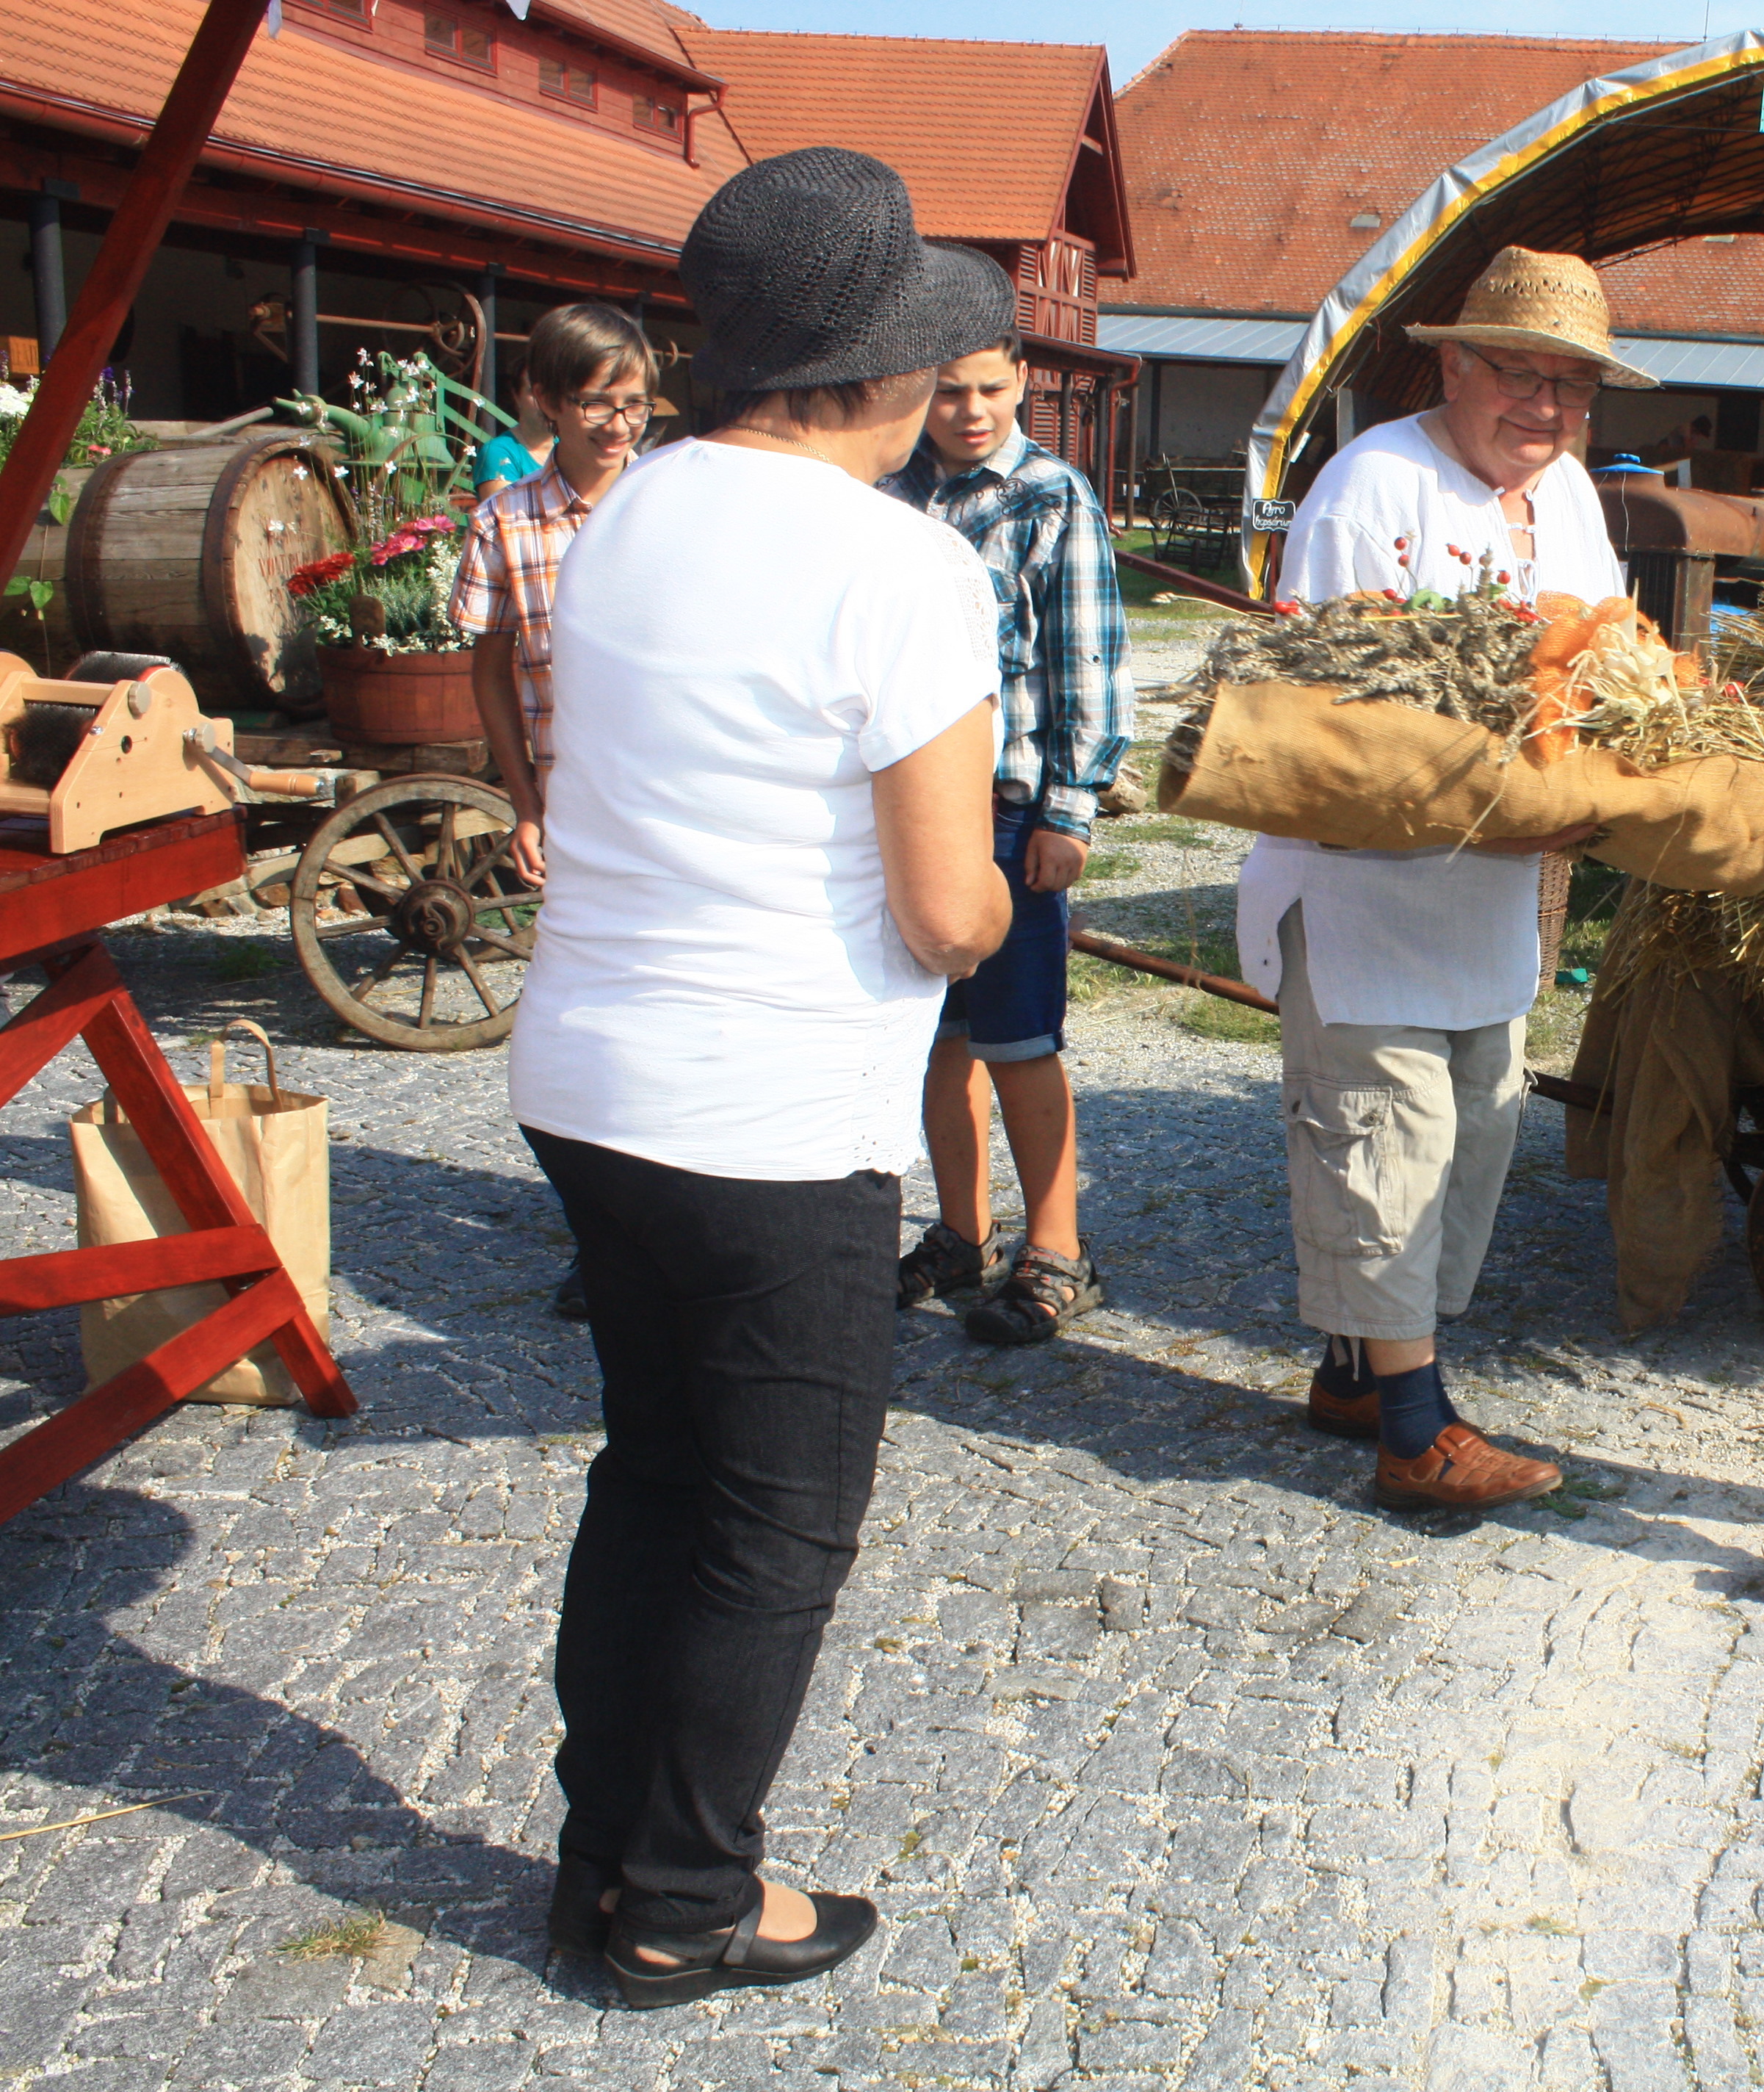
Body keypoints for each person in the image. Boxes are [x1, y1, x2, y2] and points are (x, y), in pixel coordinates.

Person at [506, 147, 1016, 2008]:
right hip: (768, 1114)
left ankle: (602, 1852)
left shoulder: (634, 504)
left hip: (588, 1074)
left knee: (654, 1467)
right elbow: (950, 904)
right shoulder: (903, 561)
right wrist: (1005, 893)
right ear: (885, 373)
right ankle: (684, 1901)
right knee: (776, 1518)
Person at [1240, 246, 1652, 1513]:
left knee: (1475, 1129)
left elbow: (1602, 662)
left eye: (1572, 387)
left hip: (1490, 897)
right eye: (1519, 374)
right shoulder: (1374, 487)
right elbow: (1323, 713)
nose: (1545, 408)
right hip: (1369, 893)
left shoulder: (1571, 491)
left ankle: (1358, 1375)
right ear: (1452, 361)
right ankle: (1415, 1432)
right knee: (1387, 1144)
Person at [883, 340, 1131, 1343]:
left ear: (1023, 380)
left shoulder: (1052, 494)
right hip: (909, 802)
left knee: (1019, 1038)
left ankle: (1058, 1248)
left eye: (989, 389)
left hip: (1010, 806)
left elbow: (1090, 659)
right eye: (946, 391)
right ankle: (961, 1232)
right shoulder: (889, 489)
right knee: (939, 1038)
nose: (970, 410)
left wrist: (1071, 809)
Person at [452, 301, 657, 1323]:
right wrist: (522, 799)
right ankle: (606, 1240)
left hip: (672, 812)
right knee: (582, 1035)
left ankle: (679, 1231)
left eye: (635, 404)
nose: (619, 427)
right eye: (595, 406)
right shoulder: (508, 518)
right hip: (573, 807)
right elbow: (489, 673)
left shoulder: (672, 506)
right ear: (543, 400)